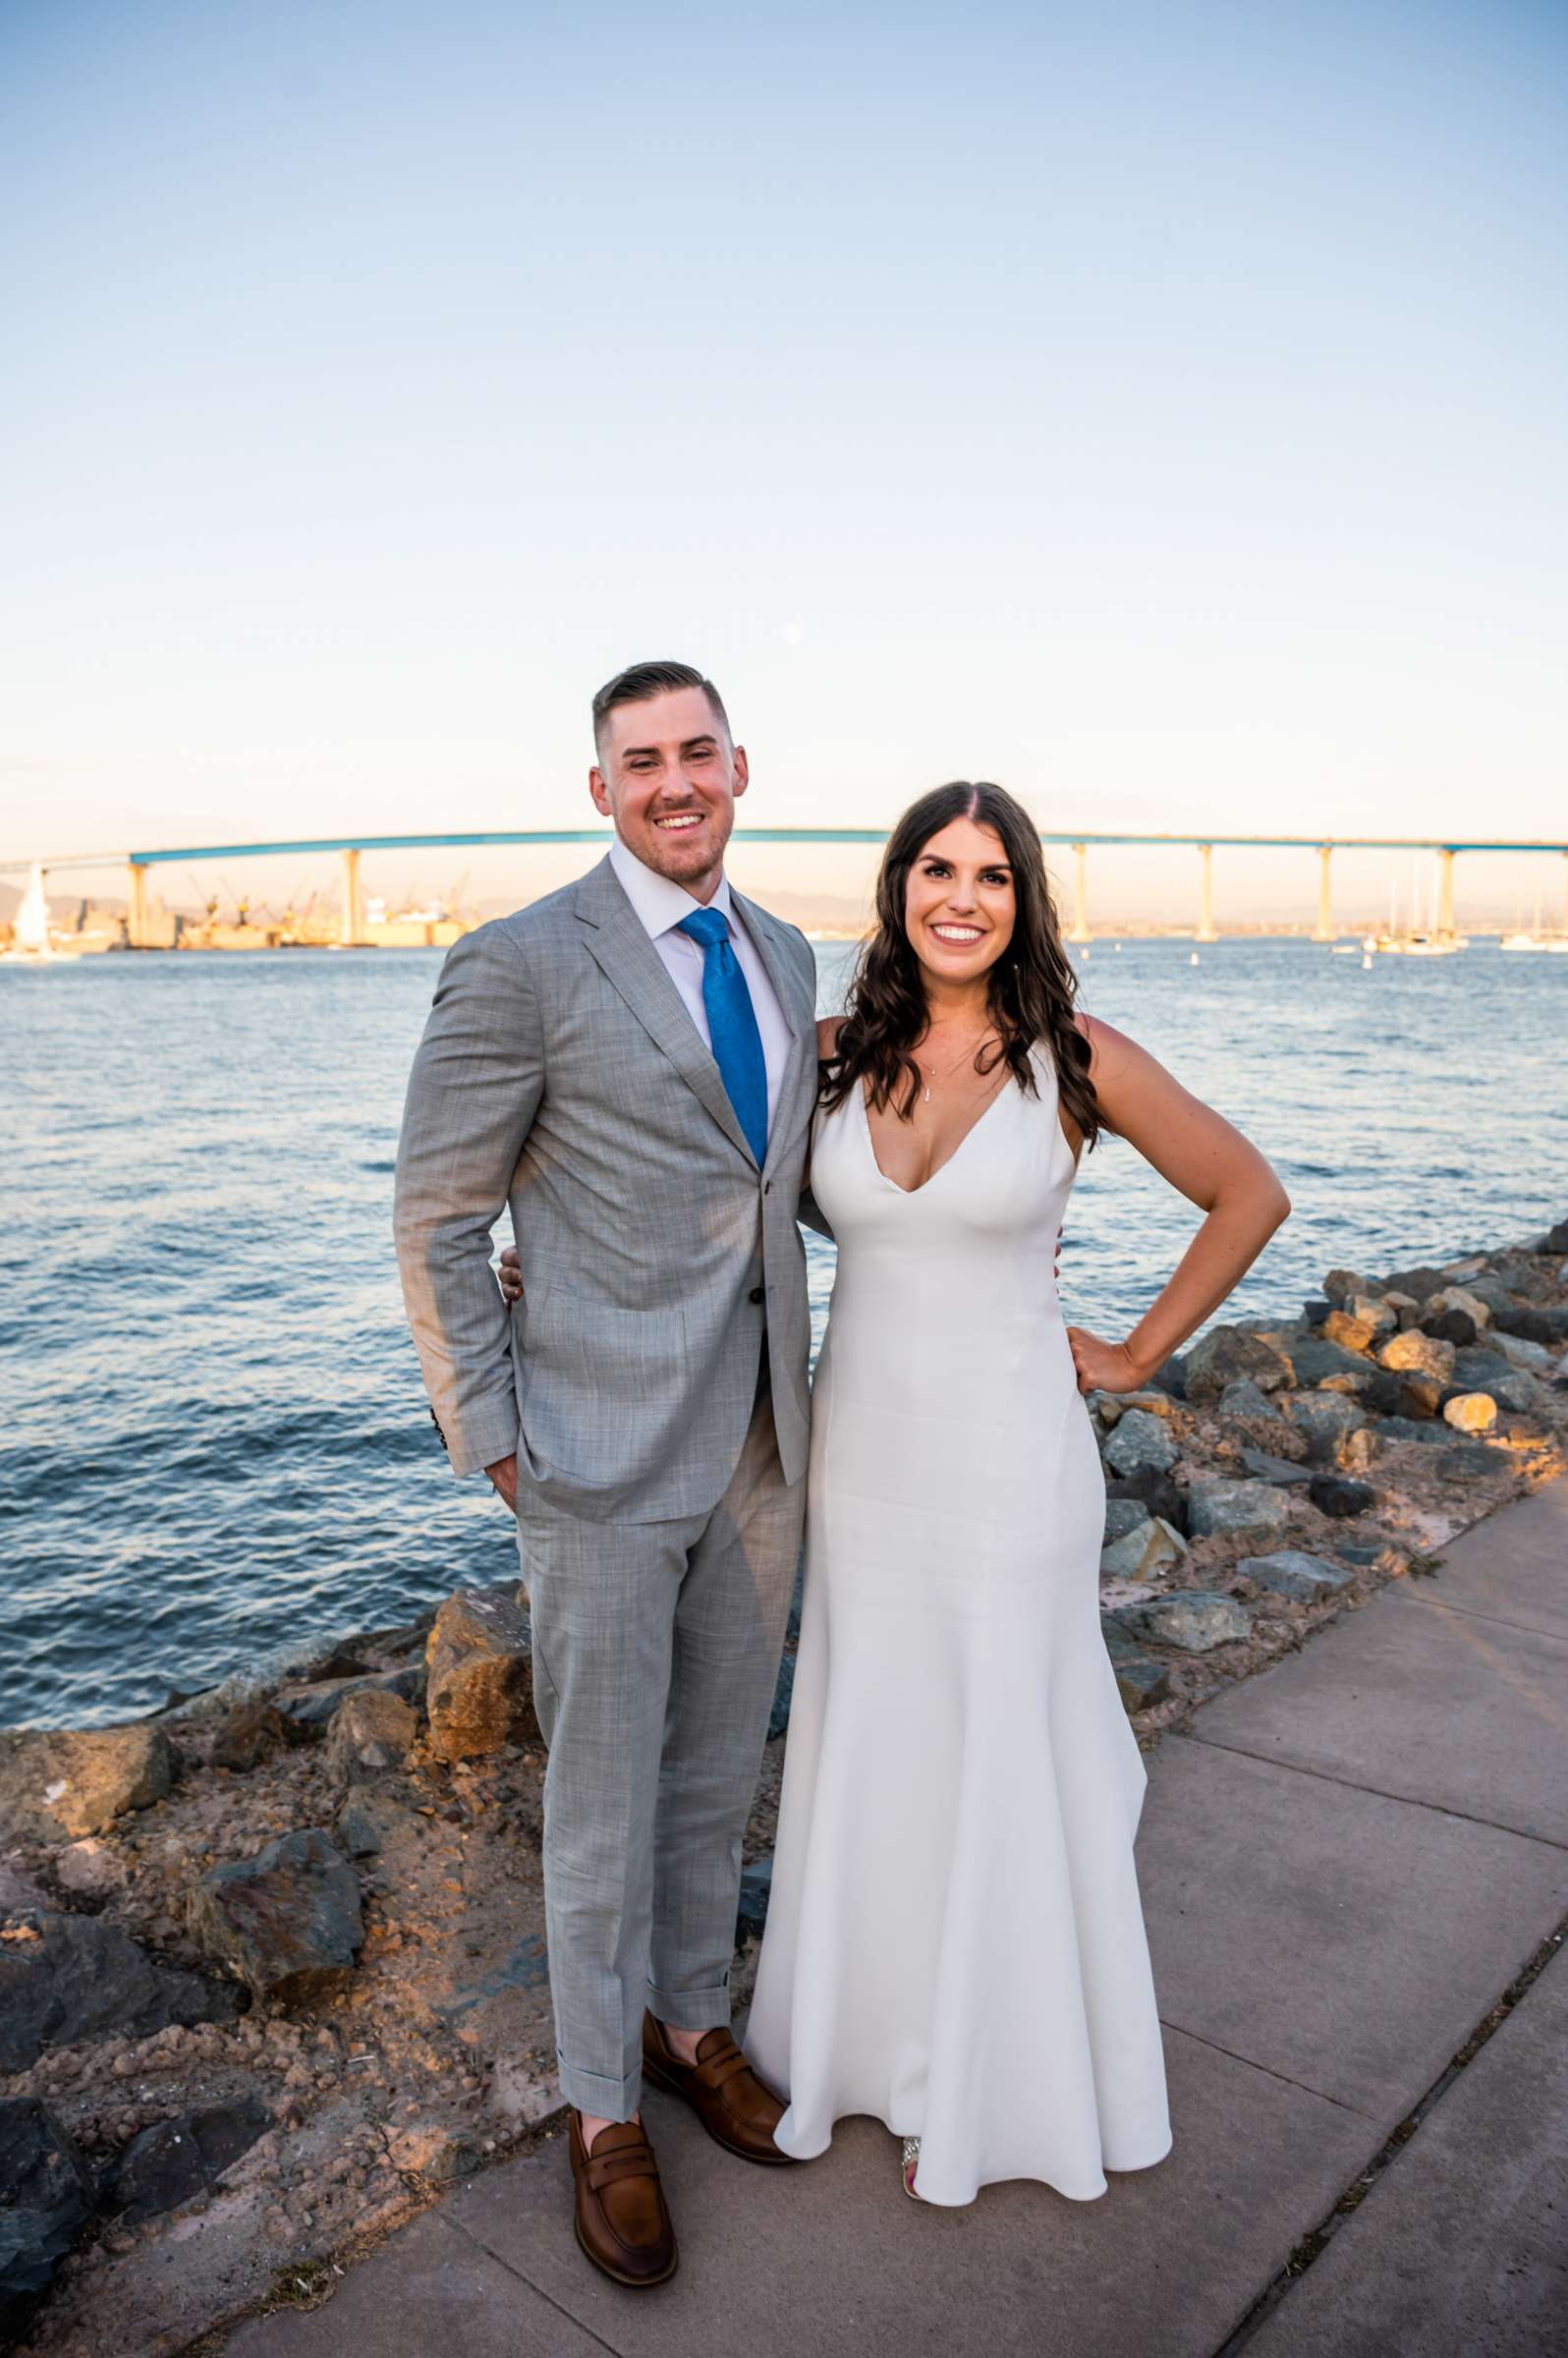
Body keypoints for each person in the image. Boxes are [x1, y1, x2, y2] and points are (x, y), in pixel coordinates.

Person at [722, 780, 1288, 2206]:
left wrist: (1141, 1349)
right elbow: (724, 1201)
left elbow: (1248, 1193)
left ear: (1023, 899)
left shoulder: (1076, 1055)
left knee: (998, 1743)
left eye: (989, 874)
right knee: (880, 1738)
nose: (959, 896)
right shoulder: (833, 1054)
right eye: (934, 868)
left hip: (1010, 1460)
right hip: (864, 1459)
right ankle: (868, 2050)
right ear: (898, 888)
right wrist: (558, 1259)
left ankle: (989, 2075)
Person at [394, 660, 821, 2290]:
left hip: (765, 1446)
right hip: (591, 1456)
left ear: (739, 766)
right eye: (638, 761)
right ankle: (597, 2116)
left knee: (717, 1771)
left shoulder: (784, 955)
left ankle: (686, 2024)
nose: (672, 783)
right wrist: (492, 1434)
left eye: (696, 752)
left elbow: (782, 1187)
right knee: (599, 1804)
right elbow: (437, 1215)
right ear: (600, 790)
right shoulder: (520, 964)